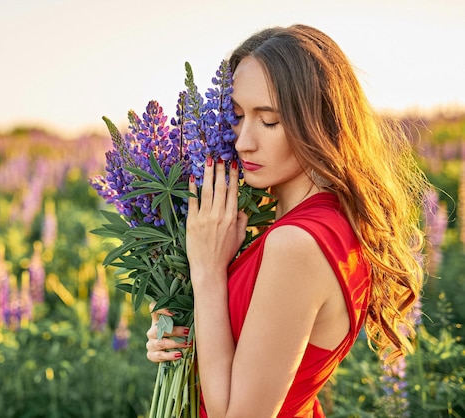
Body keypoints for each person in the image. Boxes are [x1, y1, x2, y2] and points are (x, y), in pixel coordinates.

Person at [145, 24, 429, 417]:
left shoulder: (298, 243)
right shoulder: (317, 224)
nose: (243, 140)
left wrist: (208, 274)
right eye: (238, 116)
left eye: (269, 120)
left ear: (320, 120)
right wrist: (184, 339)